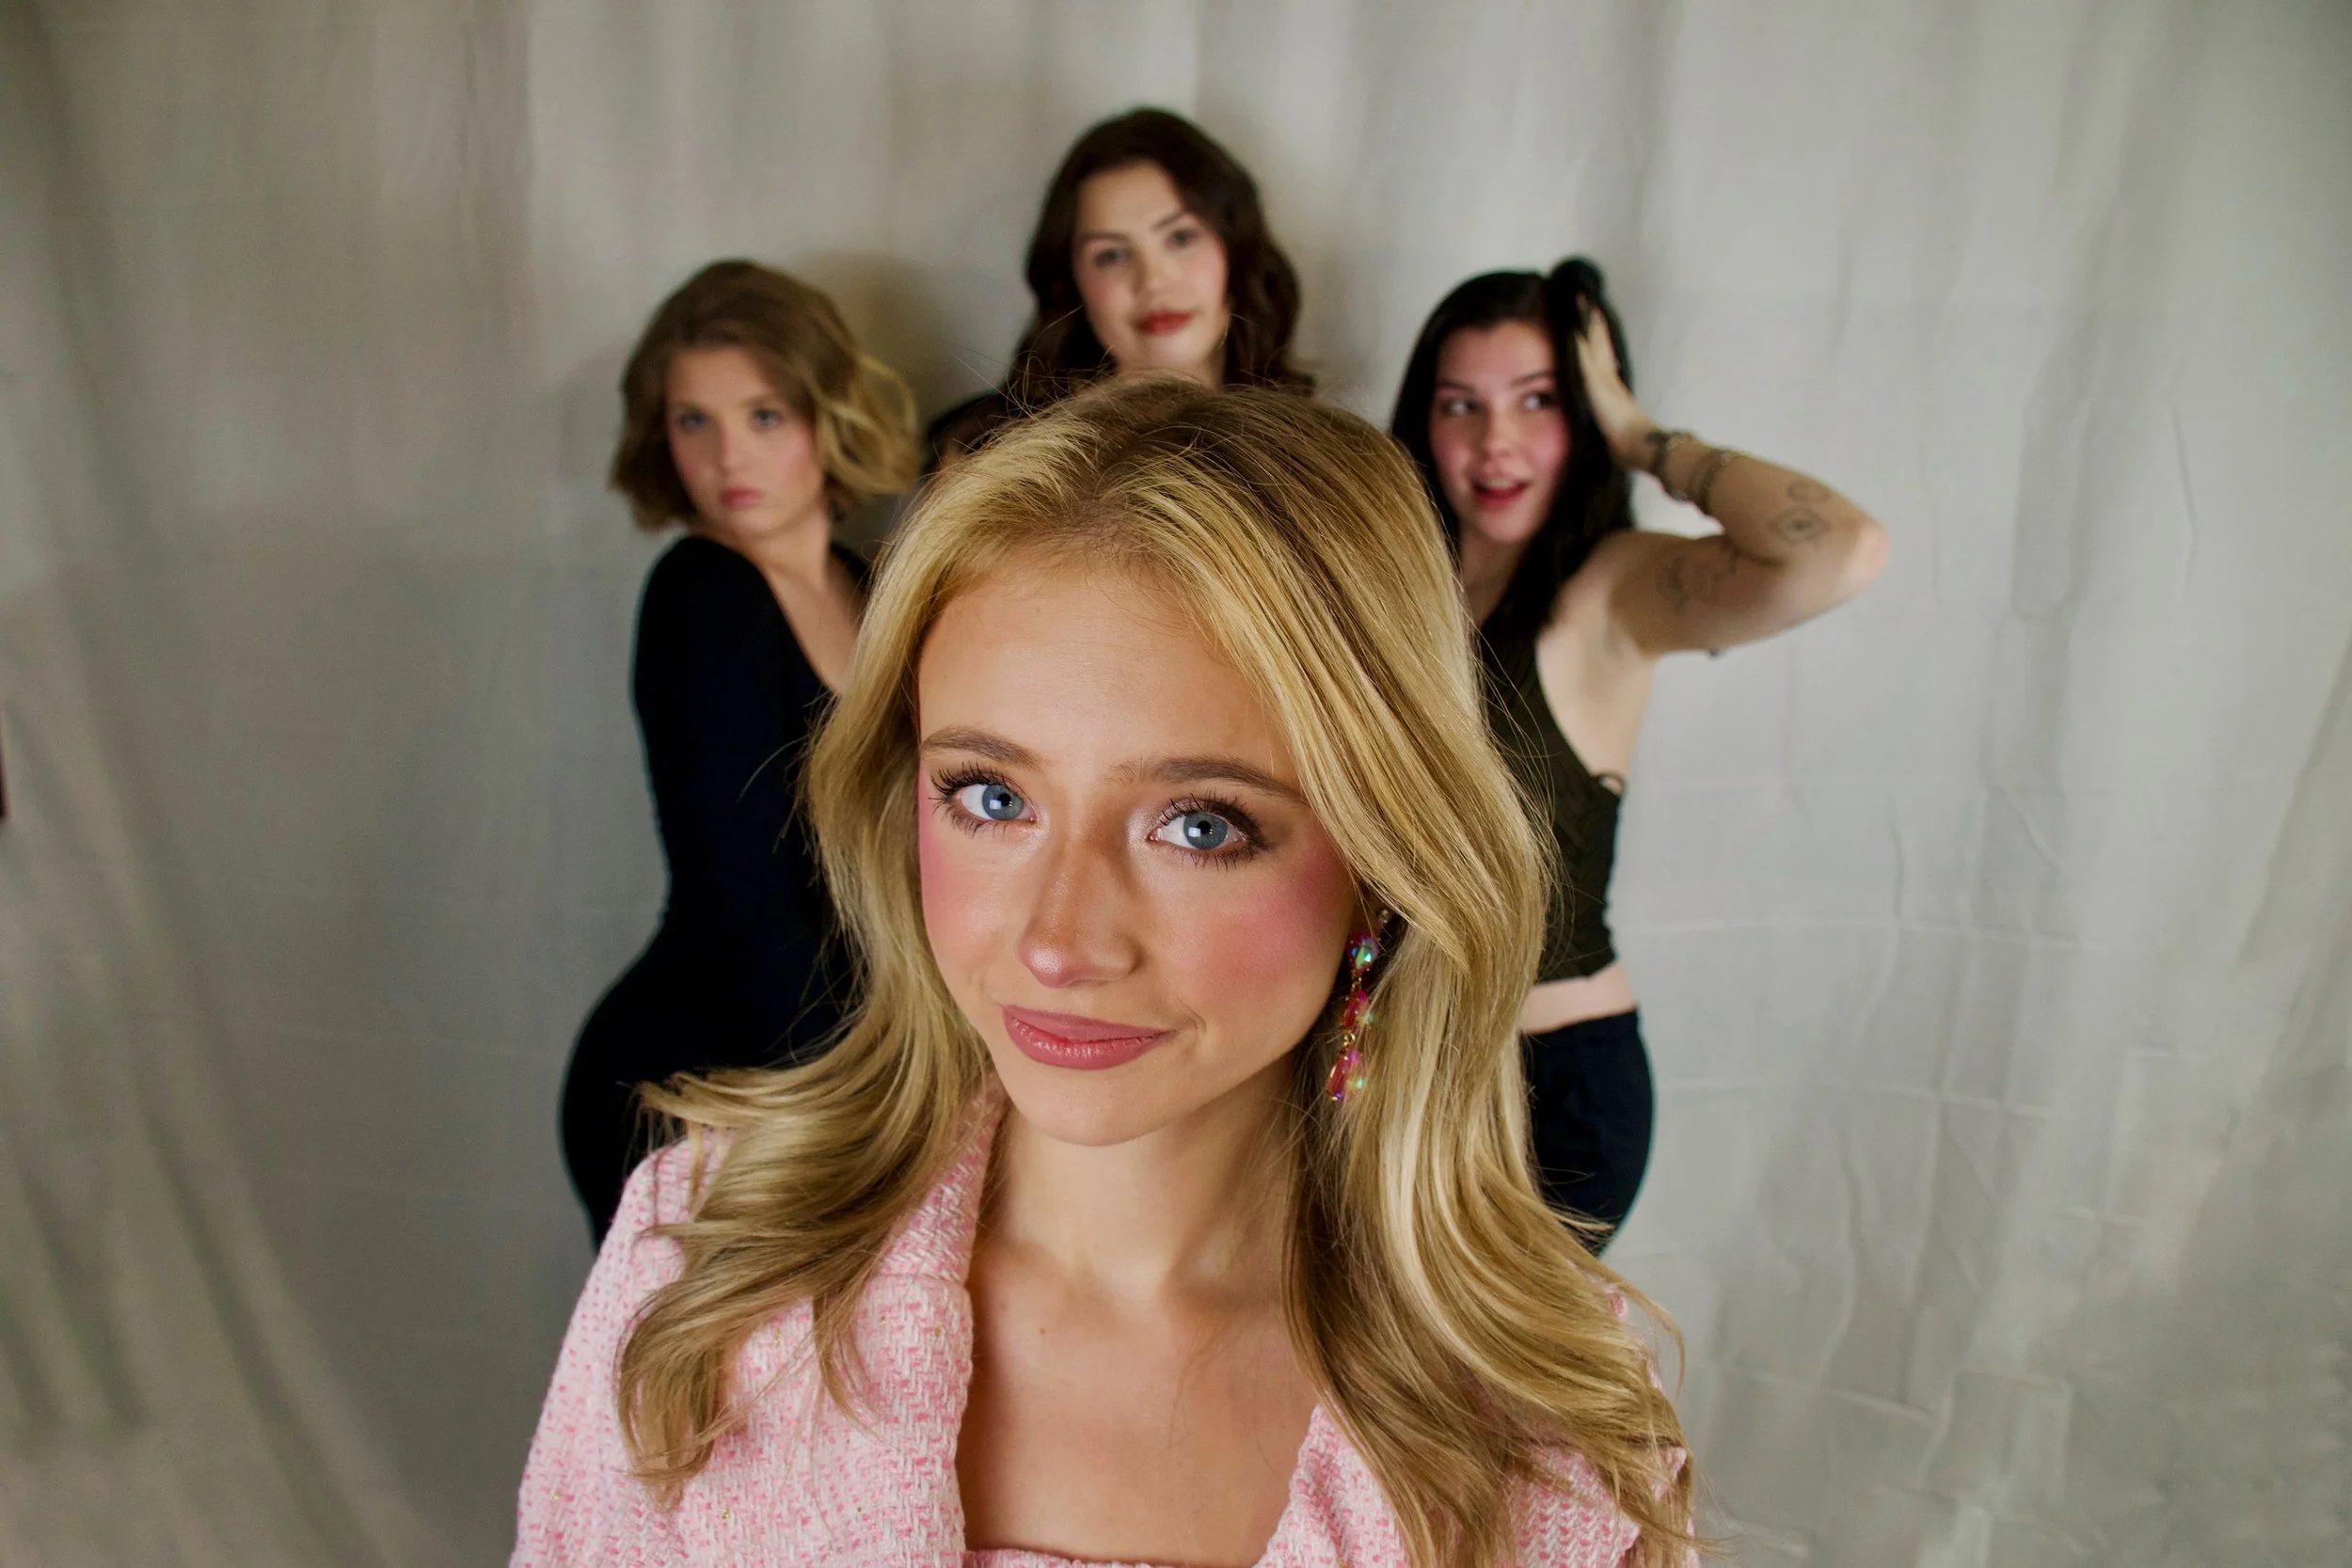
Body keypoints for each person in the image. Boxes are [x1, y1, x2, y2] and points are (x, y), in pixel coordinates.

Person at [514, 381, 1696, 1567]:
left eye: (1196, 823)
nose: (1058, 942)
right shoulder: (702, 1267)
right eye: (991, 796)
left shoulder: (1546, 1429)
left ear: (1385, 868)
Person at [1391, 258, 1889, 1244]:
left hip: (1546, 1091)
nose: (1496, 442)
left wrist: (1639, 436)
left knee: (1439, 1398)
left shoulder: (1608, 592)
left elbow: (1841, 547)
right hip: (1402, 1071)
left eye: (1537, 401)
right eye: (1461, 405)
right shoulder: (1396, 588)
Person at [559, 260, 919, 1243]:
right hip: (712, 1079)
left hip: (817, 1064)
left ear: (824, 414)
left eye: (763, 415)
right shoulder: (702, 593)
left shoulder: (865, 584)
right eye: (694, 421)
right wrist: (863, 1109)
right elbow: (743, 897)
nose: (728, 457)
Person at [922, 105, 1311, 473]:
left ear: (1236, 249)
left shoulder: (1311, 452)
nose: (1153, 281)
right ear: (1071, 280)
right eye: (1111, 255)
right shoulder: (989, 460)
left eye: (1180, 238)